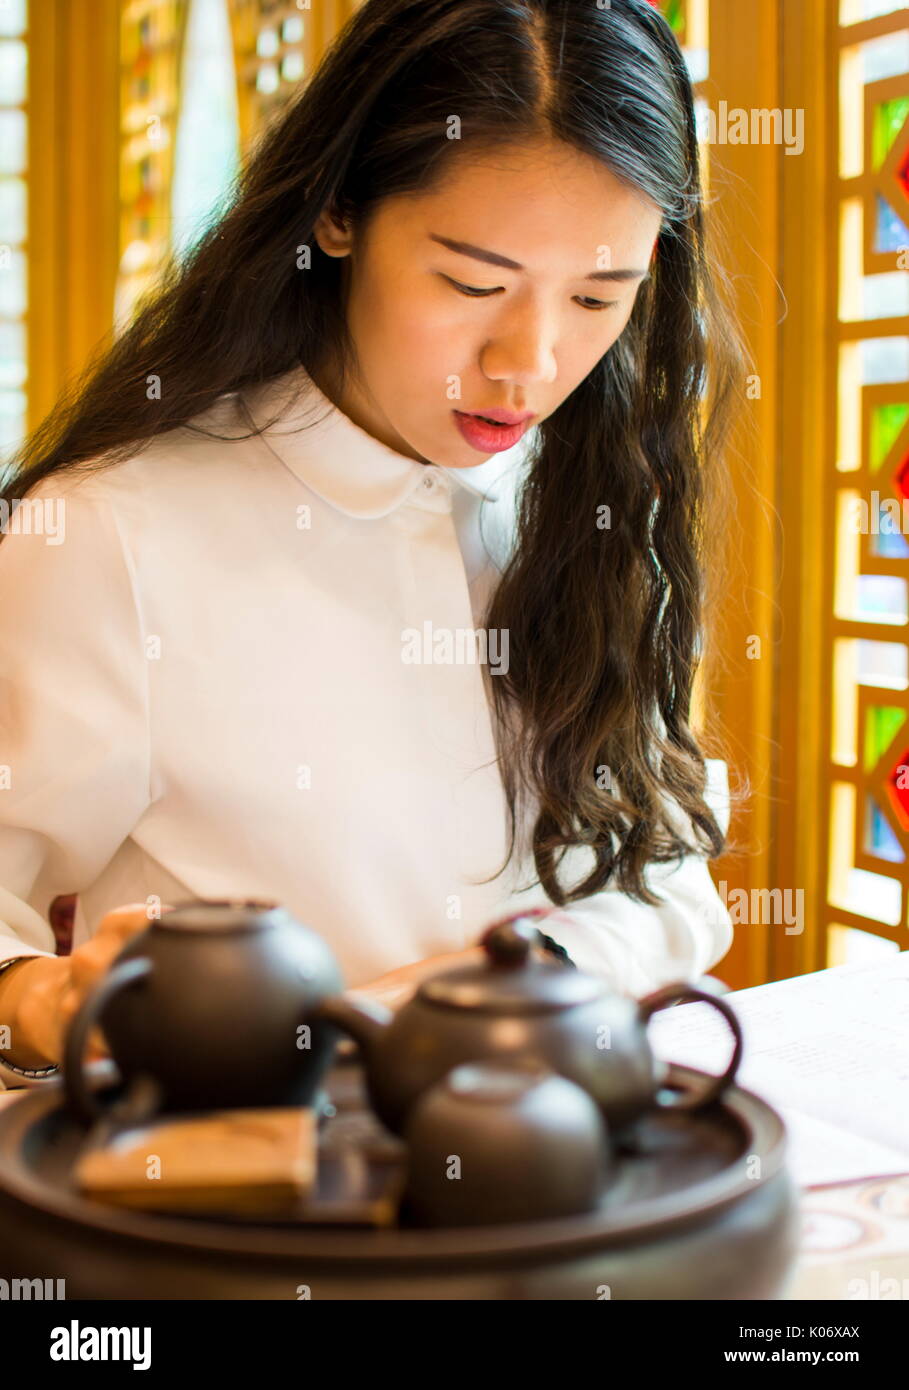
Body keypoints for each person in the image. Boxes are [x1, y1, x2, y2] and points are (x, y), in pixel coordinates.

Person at [0, 0, 746, 1089]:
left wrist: (517, 971)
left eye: (599, 297)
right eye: (473, 283)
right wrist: (47, 999)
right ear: (340, 212)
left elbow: (671, 881)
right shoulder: (113, 532)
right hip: (260, 1203)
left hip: (569, 1185)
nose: (528, 363)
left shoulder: (598, 503)